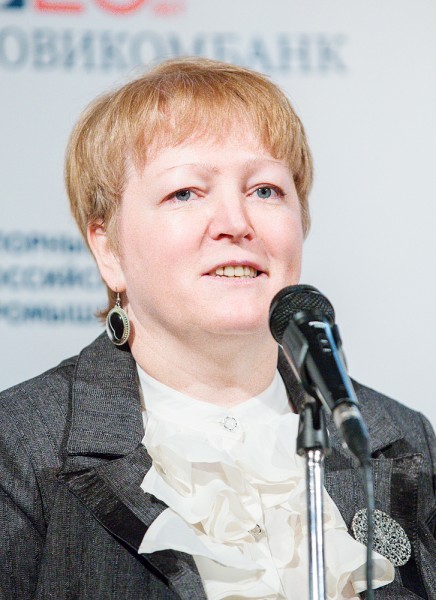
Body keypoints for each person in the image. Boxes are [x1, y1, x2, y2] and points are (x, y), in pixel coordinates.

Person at [0, 57, 434, 600]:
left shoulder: (398, 438)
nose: (235, 223)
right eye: (185, 192)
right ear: (108, 248)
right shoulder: (19, 446)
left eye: (265, 190)